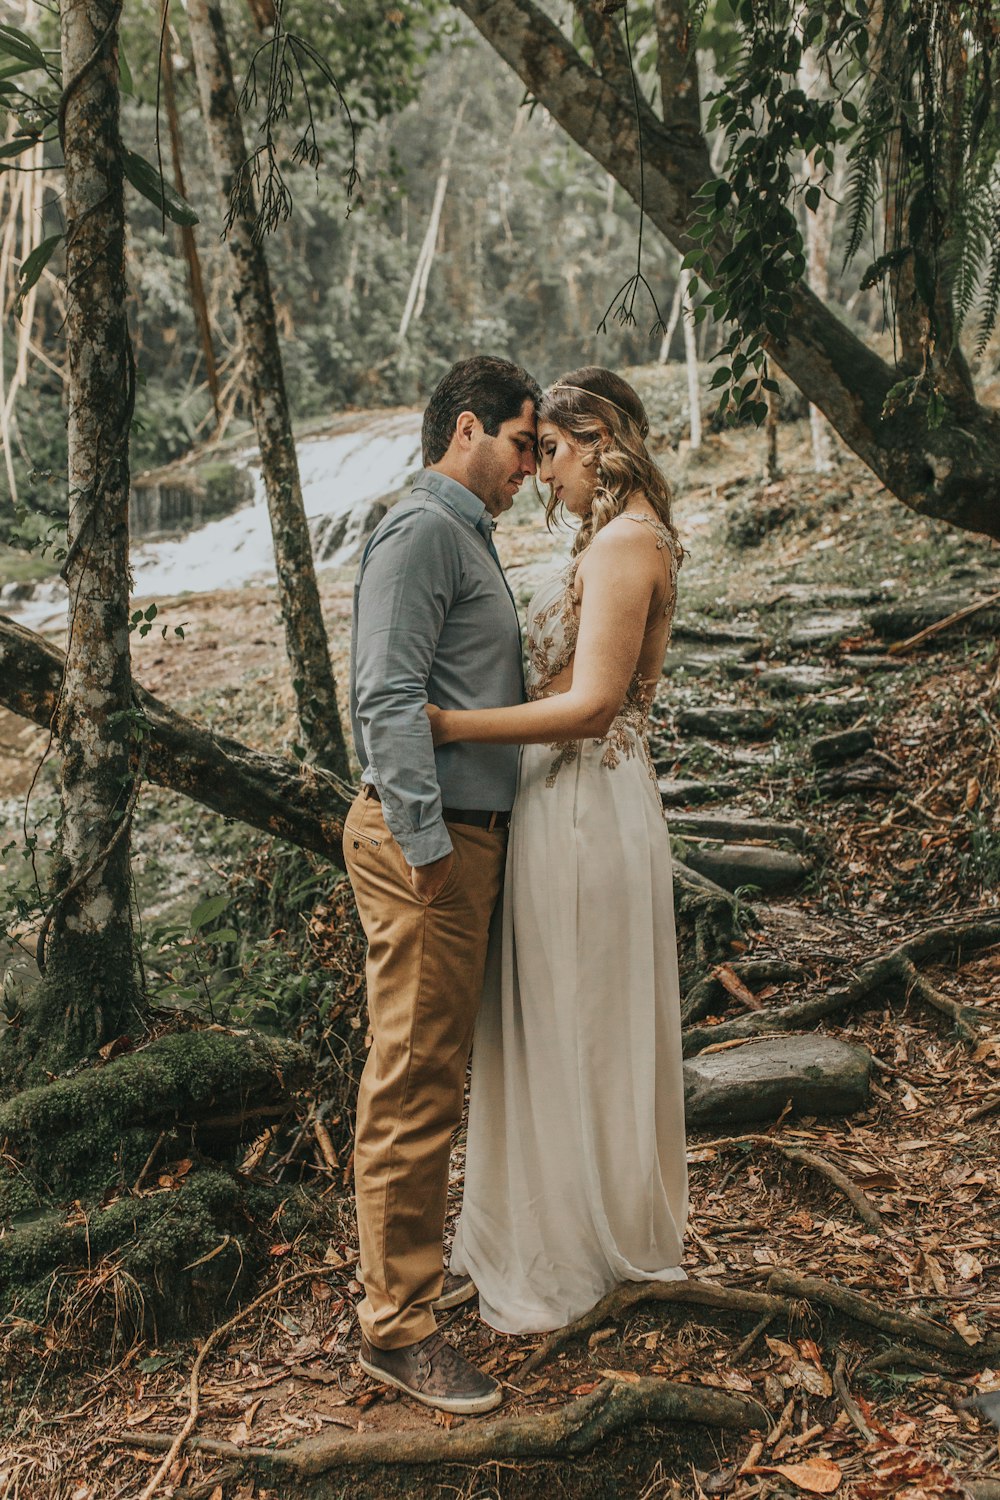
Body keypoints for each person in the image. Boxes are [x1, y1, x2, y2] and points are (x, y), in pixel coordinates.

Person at [427, 367, 689, 1334]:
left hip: (585, 806)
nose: (539, 474)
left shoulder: (625, 543)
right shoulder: (614, 535)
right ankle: (548, 1222)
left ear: (597, 444)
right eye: (531, 453)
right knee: (556, 1012)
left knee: (577, 1015)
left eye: (550, 453)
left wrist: (450, 726)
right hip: (560, 804)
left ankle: (577, 1244)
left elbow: (590, 709)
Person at [343, 355, 541, 1413]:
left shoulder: (464, 535)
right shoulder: (423, 531)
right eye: (519, 441)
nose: (528, 464)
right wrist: (426, 850)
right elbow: (384, 696)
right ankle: (394, 1328)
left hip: (466, 838)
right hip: (433, 843)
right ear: (467, 431)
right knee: (413, 1083)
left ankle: (404, 1282)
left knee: (425, 1073)